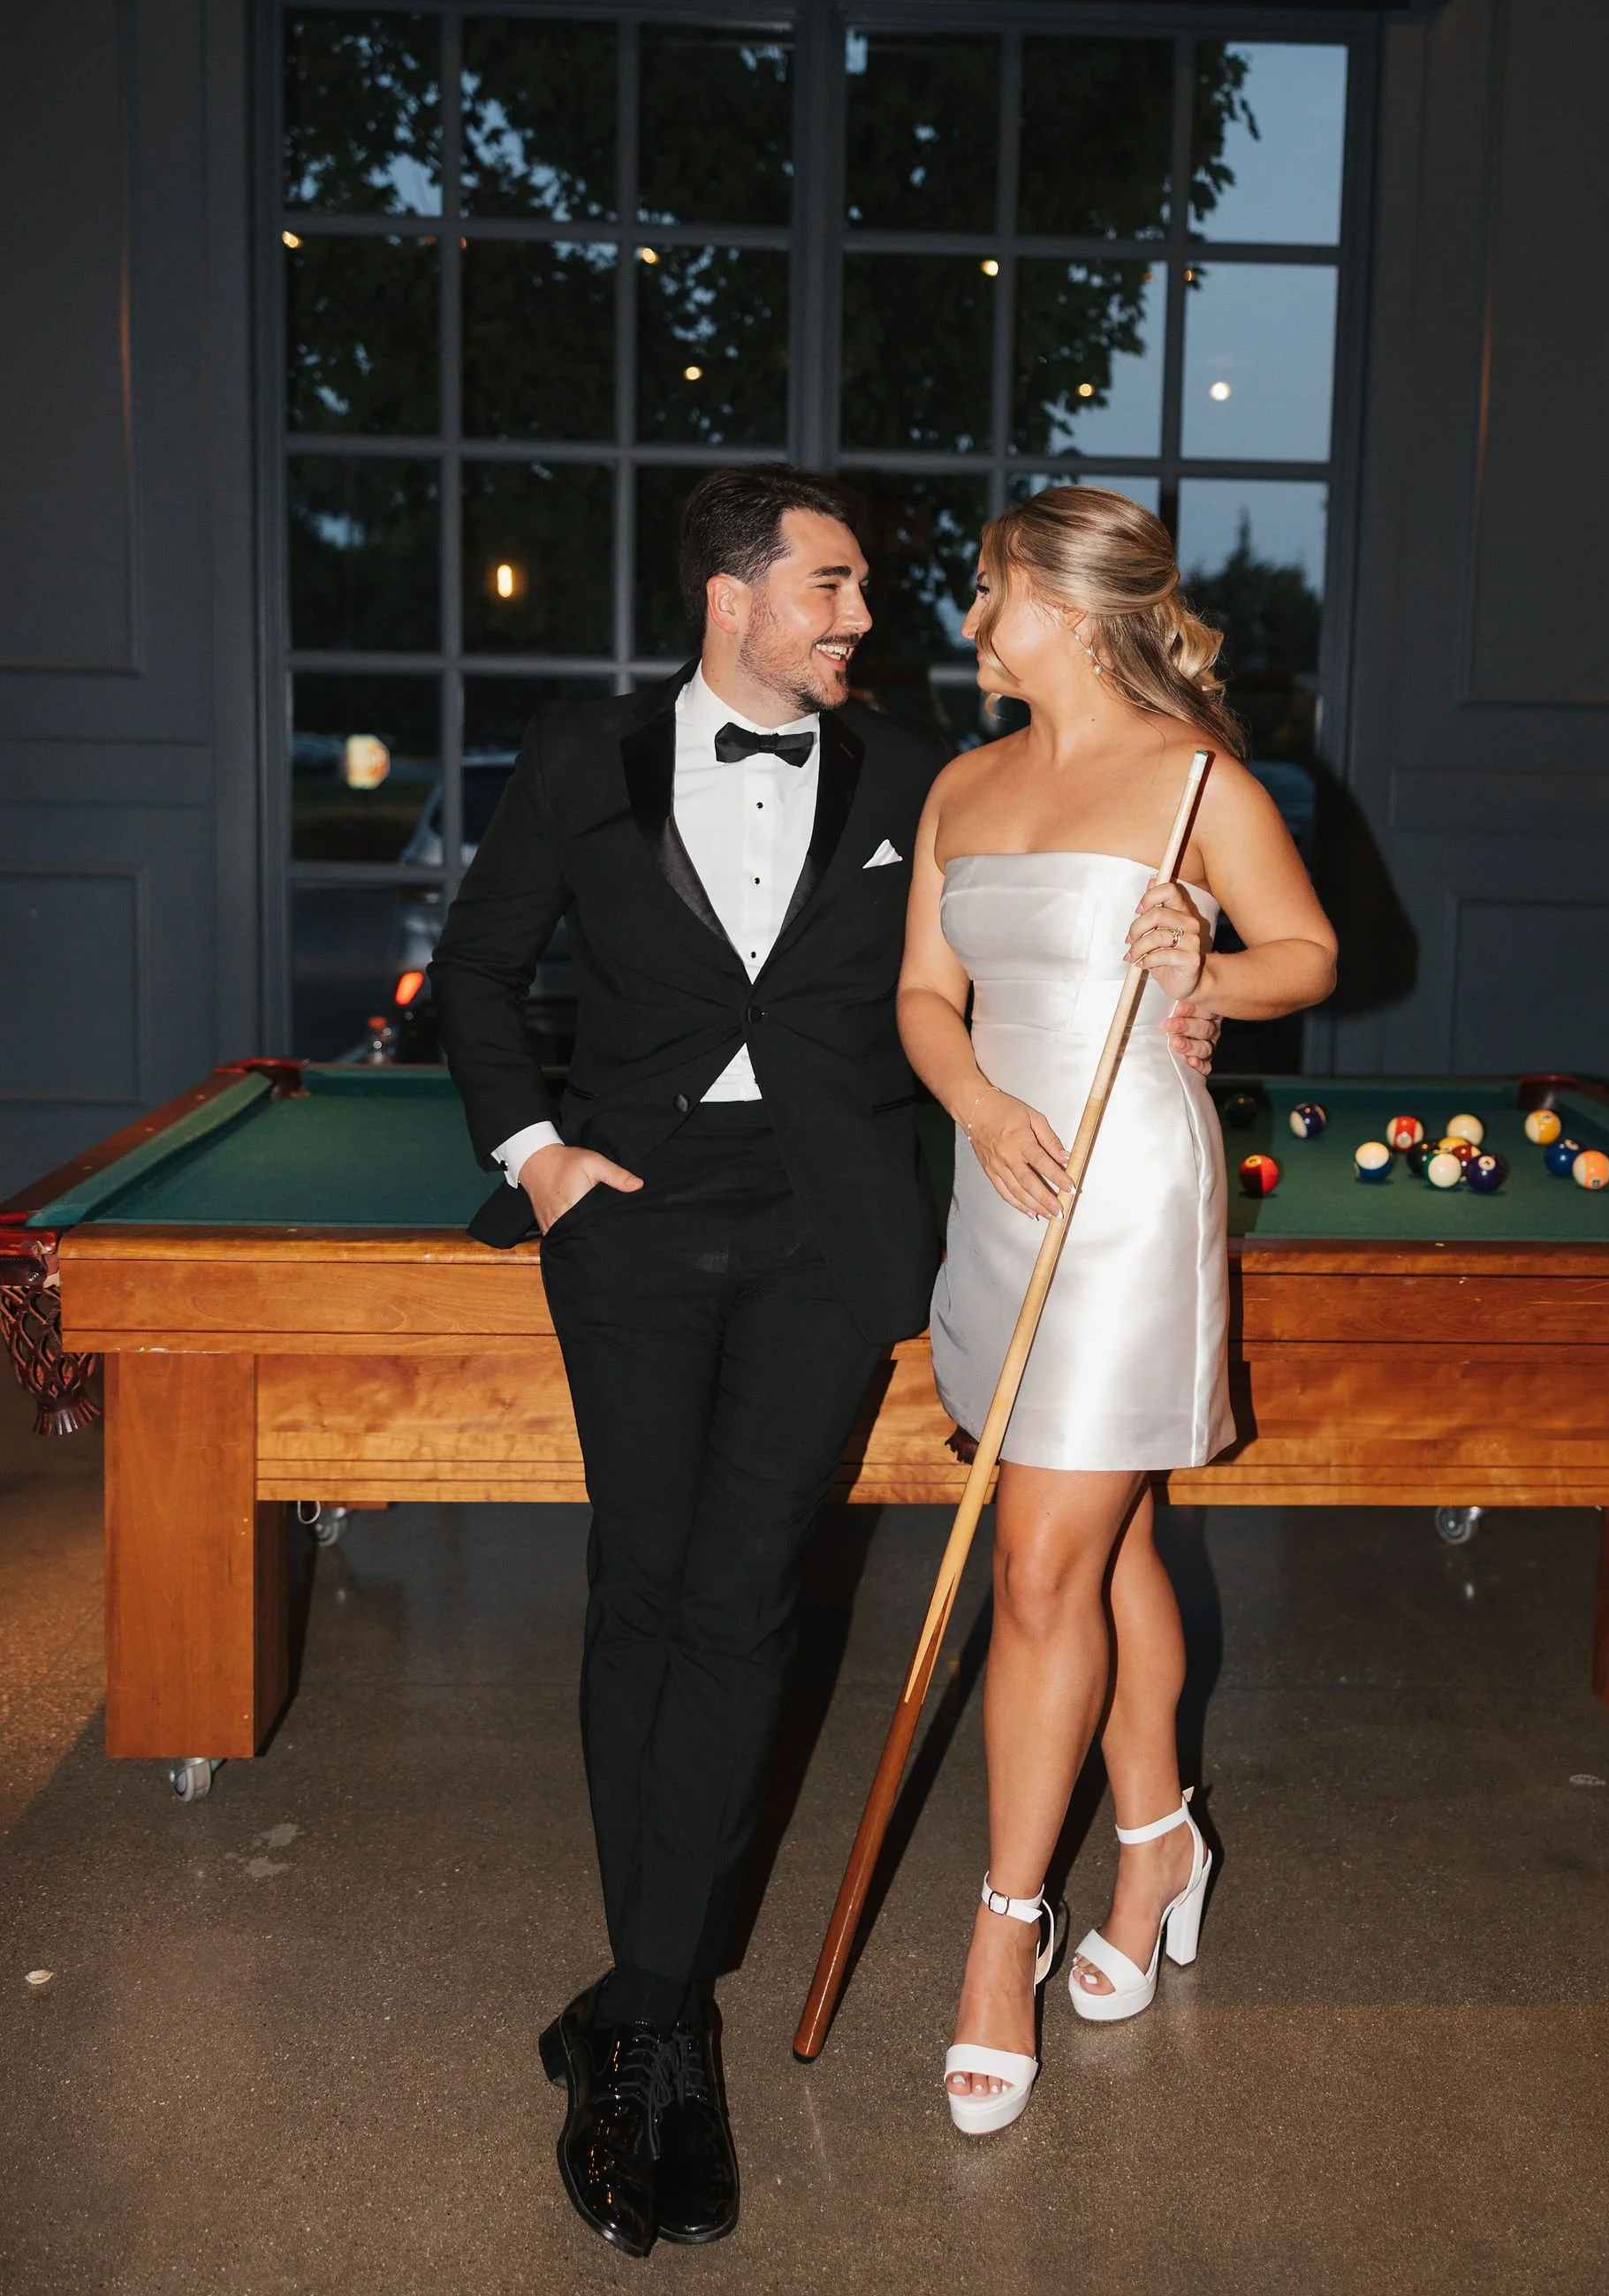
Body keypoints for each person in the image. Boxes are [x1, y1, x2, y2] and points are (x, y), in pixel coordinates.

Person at [429, 464, 1229, 2247]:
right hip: (625, 1217)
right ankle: (651, 1995)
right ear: (736, 597)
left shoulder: (905, 773)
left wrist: (1184, 986)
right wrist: (535, 1158)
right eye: (833, 585)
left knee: (741, 1599)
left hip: (824, 1231)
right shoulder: (586, 758)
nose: (863, 615)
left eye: (868, 586)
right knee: (638, 1582)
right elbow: (476, 971)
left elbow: (1028, 947)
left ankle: (650, 2007)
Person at [895, 485, 1338, 2135]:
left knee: (1036, 1568)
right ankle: (1159, 1846)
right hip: (1002, 1193)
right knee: (1109, 1542)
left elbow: (1307, 951)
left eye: (989, 593)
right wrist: (982, 1112)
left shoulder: (1197, 780)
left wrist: (1200, 970)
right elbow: (925, 1001)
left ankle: (1003, 1928)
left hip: (1131, 1194)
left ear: (1068, 610)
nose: (970, 622)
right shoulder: (963, 782)